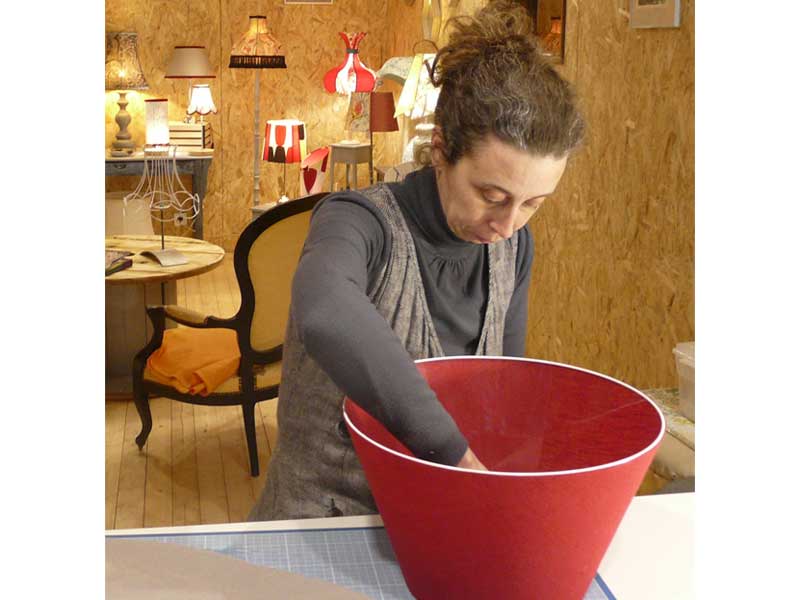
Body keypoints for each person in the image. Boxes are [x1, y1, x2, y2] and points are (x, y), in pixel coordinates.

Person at [249, 0, 585, 521]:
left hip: (440, 521)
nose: (507, 224)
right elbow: (325, 310)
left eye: (533, 204)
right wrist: (453, 454)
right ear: (441, 150)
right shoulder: (356, 222)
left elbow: (505, 390)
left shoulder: (514, 248)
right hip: (324, 522)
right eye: (491, 195)